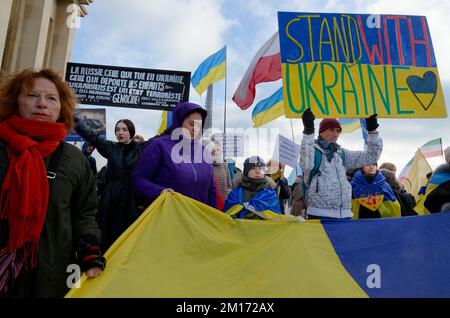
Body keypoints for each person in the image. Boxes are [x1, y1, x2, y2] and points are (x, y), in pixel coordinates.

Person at [0, 68, 105, 297]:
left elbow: (85, 212)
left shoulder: (75, 159)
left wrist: (89, 251)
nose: (42, 104)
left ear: (62, 108)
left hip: (51, 273)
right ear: (15, 100)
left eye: (51, 98)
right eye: (31, 95)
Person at [75, 117, 145, 251]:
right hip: (111, 196)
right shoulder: (110, 147)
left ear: (131, 131)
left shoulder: (141, 148)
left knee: (129, 234)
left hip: (131, 198)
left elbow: (161, 138)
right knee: (107, 231)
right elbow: (91, 135)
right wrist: (73, 119)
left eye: (124, 129)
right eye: (118, 129)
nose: (120, 132)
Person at [300, 109, 383, 219]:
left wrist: (372, 132)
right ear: (321, 132)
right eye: (331, 130)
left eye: (338, 131)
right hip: (319, 215)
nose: (335, 134)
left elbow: (371, 156)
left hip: (345, 215)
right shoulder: (314, 151)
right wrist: (308, 132)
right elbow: (305, 163)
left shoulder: (342, 154)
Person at [132, 102, 217, 208]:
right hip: (167, 216)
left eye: (199, 125)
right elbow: (138, 179)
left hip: (195, 219)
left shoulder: (204, 152)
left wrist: (213, 217)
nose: (195, 129)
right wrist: (159, 192)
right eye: (191, 124)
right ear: (179, 122)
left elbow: (211, 190)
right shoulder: (159, 145)